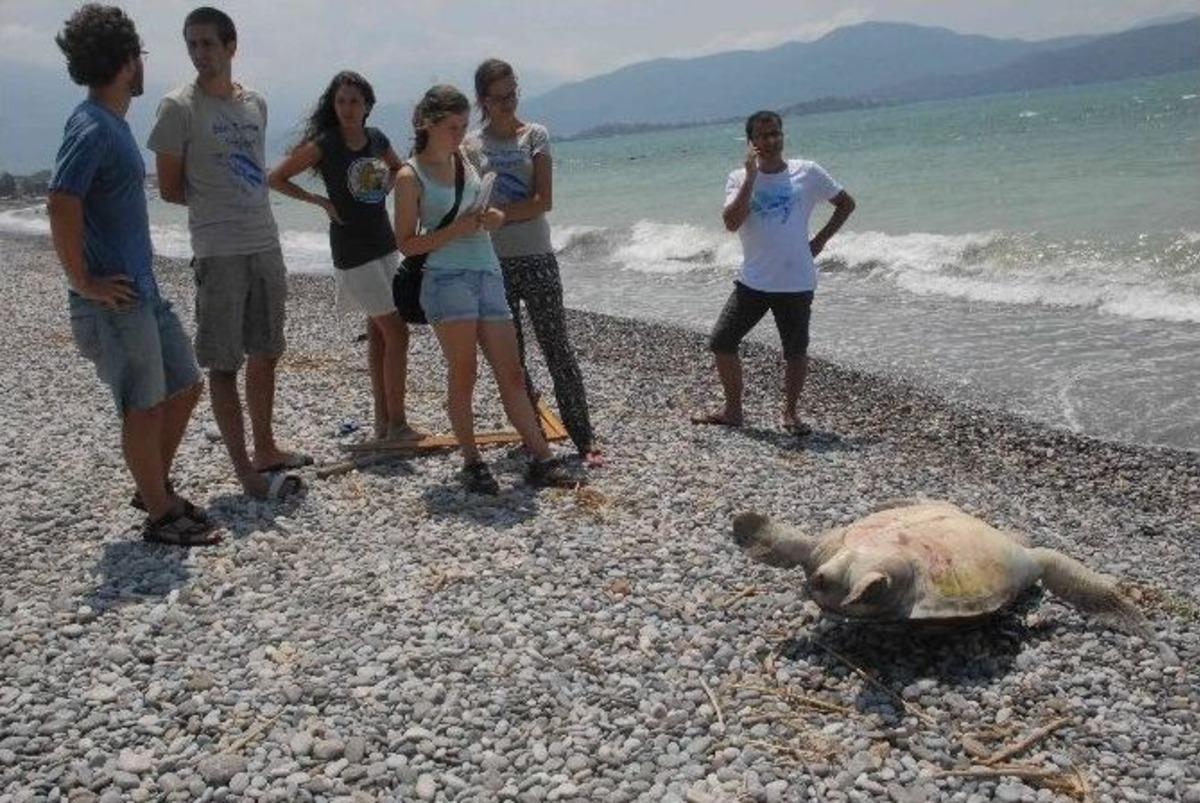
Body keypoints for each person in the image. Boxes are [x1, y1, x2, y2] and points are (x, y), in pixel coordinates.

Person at [48, 4, 217, 545]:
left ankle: (153, 490)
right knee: (142, 406)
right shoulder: (92, 124)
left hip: (142, 291)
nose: (143, 65)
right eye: (139, 55)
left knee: (185, 384)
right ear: (125, 62)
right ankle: (162, 515)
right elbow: (60, 200)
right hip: (112, 300)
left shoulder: (112, 125)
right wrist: (84, 282)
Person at [148, 6, 309, 500]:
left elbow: (254, 171)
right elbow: (170, 188)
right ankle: (243, 468)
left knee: (267, 351)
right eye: (192, 45)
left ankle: (266, 447)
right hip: (217, 250)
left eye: (208, 44)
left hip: (264, 242)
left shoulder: (255, 103)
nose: (200, 54)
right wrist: (217, 197)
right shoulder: (178, 107)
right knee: (223, 361)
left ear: (230, 47)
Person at [393, 85, 584, 494]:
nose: (459, 135)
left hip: (487, 270)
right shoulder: (410, 175)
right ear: (427, 124)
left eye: (464, 126)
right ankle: (472, 461)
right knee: (465, 373)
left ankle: (541, 459)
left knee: (511, 372)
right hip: (446, 278)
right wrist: (455, 230)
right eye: (451, 127)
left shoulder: (466, 158)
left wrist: (493, 218)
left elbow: (482, 211)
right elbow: (406, 243)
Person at [268, 71, 421, 442]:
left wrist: (389, 184)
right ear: (333, 106)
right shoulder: (326, 143)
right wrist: (318, 201)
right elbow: (277, 177)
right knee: (397, 333)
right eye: (341, 101)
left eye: (354, 101)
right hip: (352, 250)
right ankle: (398, 425)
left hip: (385, 242)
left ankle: (384, 424)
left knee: (381, 334)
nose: (347, 108)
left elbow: (401, 169)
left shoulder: (377, 138)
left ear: (367, 105)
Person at [465, 59, 601, 465]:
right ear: (483, 100)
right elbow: (470, 204)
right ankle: (534, 434)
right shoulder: (470, 145)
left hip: (538, 256)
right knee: (513, 359)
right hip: (494, 262)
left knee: (558, 348)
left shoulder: (535, 135)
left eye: (512, 94)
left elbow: (545, 200)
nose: (507, 103)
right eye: (499, 97)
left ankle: (584, 437)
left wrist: (503, 215)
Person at [693, 110, 856, 434]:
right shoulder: (738, 178)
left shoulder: (807, 172)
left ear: (782, 136)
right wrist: (751, 178)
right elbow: (731, 223)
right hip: (753, 280)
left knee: (794, 351)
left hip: (796, 280)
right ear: (751, 142)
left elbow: (846, 204)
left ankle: (791, 413)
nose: (770, 141)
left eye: (775, 134)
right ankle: (733, 411)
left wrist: (820, 240)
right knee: (722, 341)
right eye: (762, 136)